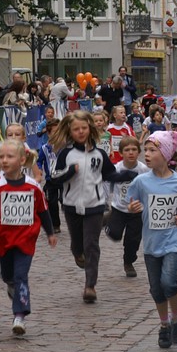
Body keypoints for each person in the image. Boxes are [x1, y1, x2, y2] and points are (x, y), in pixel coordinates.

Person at [51, 110, 138, 303]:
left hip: (95, 205)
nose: (81, 132)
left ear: (90, 128)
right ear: (70, 131)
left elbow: (109, 175)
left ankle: (90, 286)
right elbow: (54, 178)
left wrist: (130, 175)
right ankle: (77, 254)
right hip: (72, 205)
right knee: (77, 245)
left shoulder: (99, 154)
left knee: (91, 245)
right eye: (76, 129)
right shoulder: (65, 153)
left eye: (84, 128)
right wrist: (69, 172)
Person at [0, 139, 57, 335]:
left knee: (21, 275)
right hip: (3, 241)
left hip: (26, 240)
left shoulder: (32, 186)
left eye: (9, 156)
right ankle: (12, 285)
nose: (4, 160)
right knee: (8, 275)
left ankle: (19, 315)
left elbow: (43, 211)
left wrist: (50, 233)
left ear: (22, 160)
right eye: (1, 156)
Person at [127, 130, 177, 349]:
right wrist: (132, 208)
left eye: (152, 150)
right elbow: (131, 202)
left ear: (166, 155)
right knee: (156, 289)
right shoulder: (141, 181)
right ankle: (165, 325)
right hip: (151, 243)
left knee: (168, 282)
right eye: (145, 150)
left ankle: (176, 318)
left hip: (175, 239)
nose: (146, 154)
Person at [104, 136, 149, 278]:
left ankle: (128, 262)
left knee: (133, 240)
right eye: (127, 150)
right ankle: (106, 221)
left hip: (137, 210)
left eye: (134, 149)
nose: (131, 152)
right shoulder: (116, 168)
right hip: (119, 208)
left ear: (139, 152)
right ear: (121, 152)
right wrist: (104, 203)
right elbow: (106, 185)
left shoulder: (144, 169)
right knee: (115, 234)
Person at [37, 118, 62, 233]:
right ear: (48, 133)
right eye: (54, 132)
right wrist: (39, 170)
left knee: (65, 201)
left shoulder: (66, 147)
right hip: (50, 179)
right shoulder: (44, 148)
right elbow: (39, 160)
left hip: (64, 179)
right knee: (52, 203)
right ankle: (55, 224)